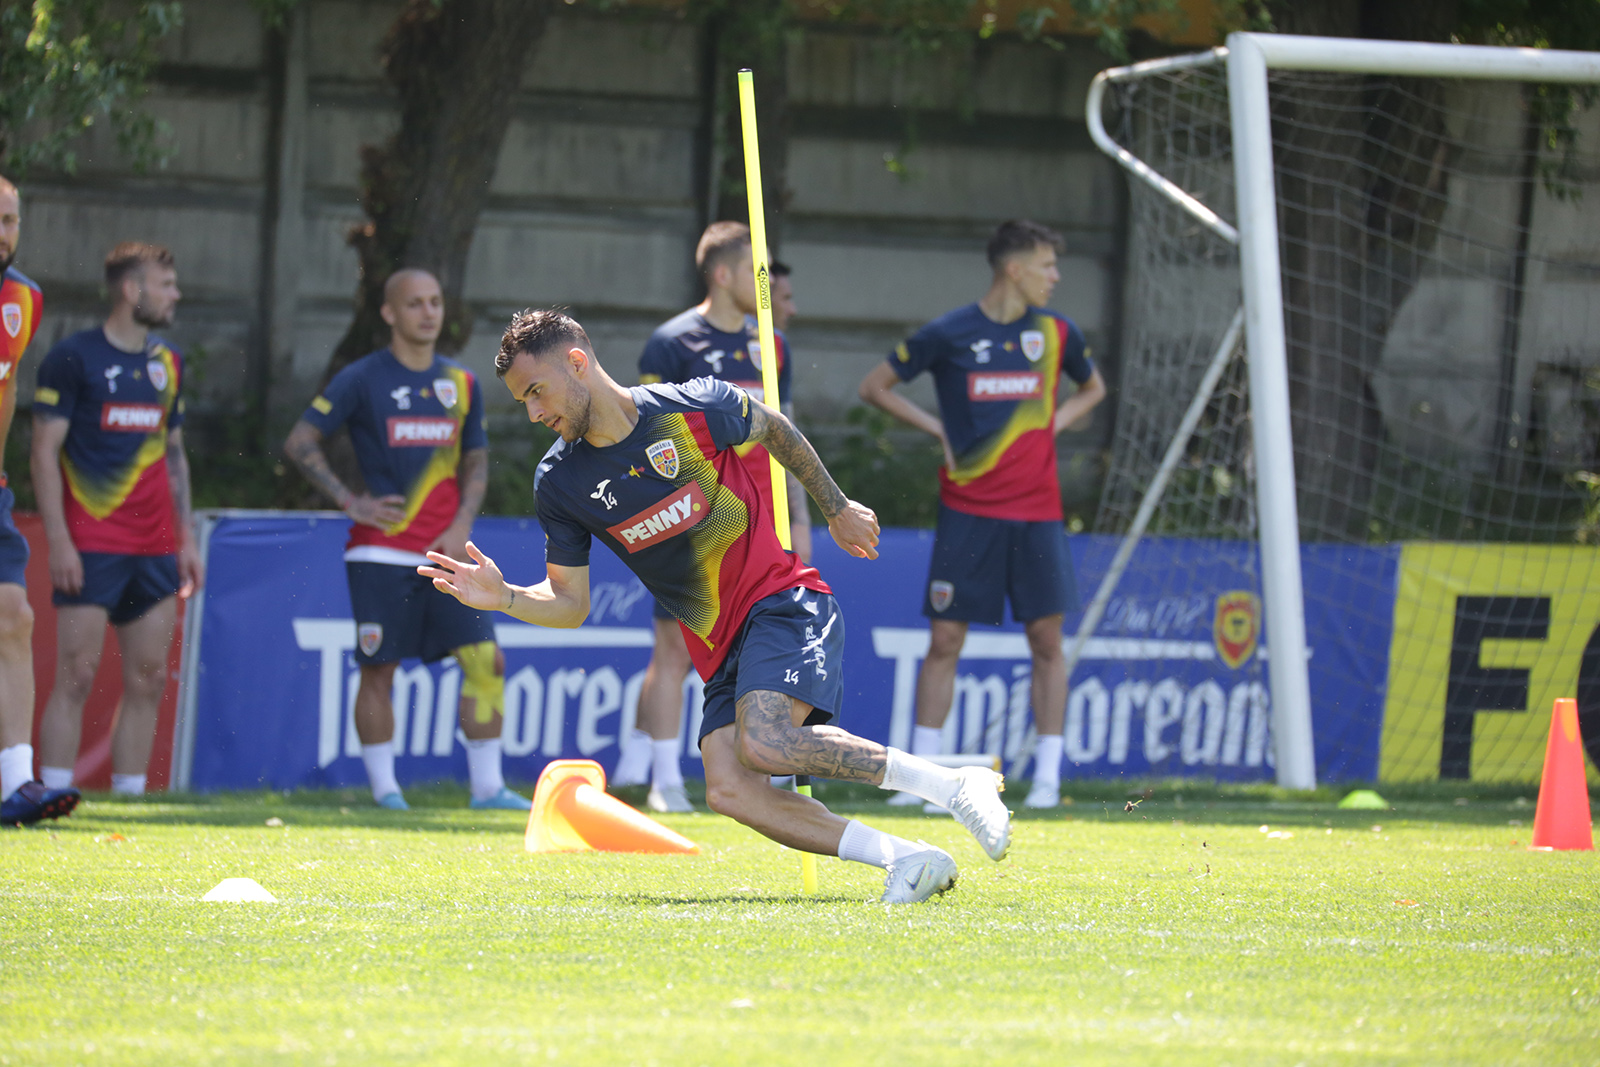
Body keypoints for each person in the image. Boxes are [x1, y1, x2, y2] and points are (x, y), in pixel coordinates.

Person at [422, 309, 1013, 905]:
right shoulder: (559, 482)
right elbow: (570, 604)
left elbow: (776, 428)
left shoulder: (691, 407)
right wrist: (505, 597)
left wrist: (835, 508)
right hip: (718, 646)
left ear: (577, 363)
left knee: (764, 743)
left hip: (782, 601)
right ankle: (908, 859)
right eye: (522, 400)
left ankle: (953, 785)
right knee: (729, 788)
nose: (532, 413)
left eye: (535, 391)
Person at [858, 219, 1106, 810]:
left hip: (1038, 512)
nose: (1056, 276)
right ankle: (921, 785)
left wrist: (1050, 427)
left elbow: (1094, 389)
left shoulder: (1057, 332)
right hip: (968, 511)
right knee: (945, 639)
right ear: (1014, 269)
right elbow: (875, 386)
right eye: (1047, 265)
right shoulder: (950, 332)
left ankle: (1047, 781)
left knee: (1047, 640)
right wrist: (937, 429)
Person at [283, 269, 527, 812]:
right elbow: (300, 440)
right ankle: (386, 792)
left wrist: (462, 523)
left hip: (447, 555)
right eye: (414, 303)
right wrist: (350, 501)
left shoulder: (461, 383)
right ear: (388, 313)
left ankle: (488, 789)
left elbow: (476, 459)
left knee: (487, 661)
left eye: (435, 301)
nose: (428, 312)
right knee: (379, 670)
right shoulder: (361, 377)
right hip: (380, 551)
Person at [614, 224, 810, 813]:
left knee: (765, 649)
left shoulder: (773, 345)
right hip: (695, 524)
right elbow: (647, 441)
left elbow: (786, 432)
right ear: (723, 274)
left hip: (764, 526)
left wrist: (800, 518)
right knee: (673, 654)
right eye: (756, 268)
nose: (767, 280)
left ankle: (771, 770)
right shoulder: (671, 343)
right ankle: (663, 782)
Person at [32, 243, 204, 798]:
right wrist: (59, 540)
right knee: (76, 674)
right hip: (91, 543)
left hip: (155, 545)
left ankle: (130, 800)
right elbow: (42, 451)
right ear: (132, 290)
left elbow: (174, 454)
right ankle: (54, 796)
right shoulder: (73, 358)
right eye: (166, 284)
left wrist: (186, 538)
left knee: (148, 678)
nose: (176, 294)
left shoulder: (169, 362)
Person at [0, 177, 78, 825]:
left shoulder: (22, 298)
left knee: (15, 616)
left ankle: (17, 784)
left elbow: (7, 388)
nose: (3, 234)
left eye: (10, 221)